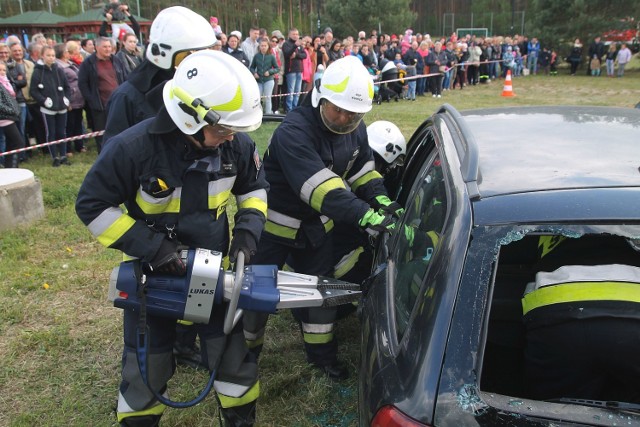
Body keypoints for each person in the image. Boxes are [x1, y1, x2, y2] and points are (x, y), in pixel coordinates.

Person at [75, 50, 267, 427]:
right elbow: (92, 206)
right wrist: (152, 247)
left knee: (233, 364)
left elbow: (254, 188)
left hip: (213, 276)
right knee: (147, 366)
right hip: (155, 279)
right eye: (223, 128)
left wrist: (247, 233)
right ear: (189, 116)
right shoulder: (132, 149)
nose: (230, 136)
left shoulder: (236, 145)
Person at [243, 56, 397, 380]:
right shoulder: (293, 132)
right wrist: (366, 215)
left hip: (316, 230)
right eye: (337, 110)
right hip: (273, 230)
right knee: (256, 293)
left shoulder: (355, 129)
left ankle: (322, 357)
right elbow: (321, 190)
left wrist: (381, 199)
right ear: (320, 97)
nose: (343, 119)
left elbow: (363, 172)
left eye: (353, 114)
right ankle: (244, 354)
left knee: (320, 294)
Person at [101, 6, 218, 369]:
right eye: (193, 56)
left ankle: (183, 344)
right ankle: (151, 356)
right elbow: (113, 166)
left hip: (195, 210)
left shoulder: (192, 90)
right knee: (151, 297)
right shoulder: (130, 97)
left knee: (194, 283)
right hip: (151, 222)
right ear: (170, 56)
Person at [78, 36, 127, 153]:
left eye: (109, 46)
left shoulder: (116, 60)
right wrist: (91, 100)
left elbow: (125, 78)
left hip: (117, 102)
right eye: (105, 47)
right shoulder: (88, 63)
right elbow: (82, 83)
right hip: (99, 105)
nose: (108, 49)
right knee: (101, 132)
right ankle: (104, 153)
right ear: (97, 47)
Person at [29, 45, 71, 167]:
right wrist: (43, 101)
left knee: (62, 132)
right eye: (48, 55)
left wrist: (66, 99)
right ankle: (54, 157)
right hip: (48, 109)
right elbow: (34, 91)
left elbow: (67, 87)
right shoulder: (37, 71)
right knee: (51, 132)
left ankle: (63, 155)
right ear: (42, 56)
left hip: (61, 106)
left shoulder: (59, 70)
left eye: (53, 55)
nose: (51, 58)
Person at [55, 43, 86, 155]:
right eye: (67, 51)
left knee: (78, 123)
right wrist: (66, 101)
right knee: (69, 125)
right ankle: (67, 148)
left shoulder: (70, 64)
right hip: (70, 100)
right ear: (62, 53)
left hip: (78, 99)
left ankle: (79, 145)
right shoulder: (58, 66)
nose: (69, 53)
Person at [0, 61, 23, 169]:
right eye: (0, 70)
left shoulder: (6, 82)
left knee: (11, 143)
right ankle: (13, 167)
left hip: (10, 116)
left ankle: (11, 168)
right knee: (18, 142)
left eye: (4, 70)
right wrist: (12, 110)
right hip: (4, 117)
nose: (2, 72)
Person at [250, 38, 279, 117]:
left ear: (268, 46)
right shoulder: (256, 56)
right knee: (258, 98)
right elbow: (252, 67)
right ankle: (257, 115)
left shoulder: (271, 56)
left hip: (268, 80)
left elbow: (277, 68)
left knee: (267, 98)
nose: (263, 47)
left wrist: (269, 72)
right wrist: (254, 73)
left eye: (265, 46)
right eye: (262, 46)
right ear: (259, 46)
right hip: (259, 80)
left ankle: (268, 115)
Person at [282, 27, 307, 113]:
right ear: (289, 35)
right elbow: (287, 54)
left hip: (299, 70)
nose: (296, 36)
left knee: (297, 92)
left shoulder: (300, 45)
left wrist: (296, 55)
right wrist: (295, 46)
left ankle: (295, 108)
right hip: (291, 71)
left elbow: (304, 55)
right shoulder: (286, 44)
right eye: (294, 34)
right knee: (291, 92)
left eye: (297, 34)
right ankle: (289, 109)